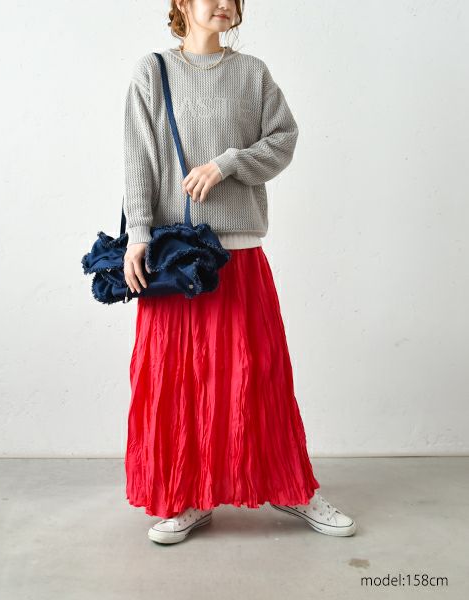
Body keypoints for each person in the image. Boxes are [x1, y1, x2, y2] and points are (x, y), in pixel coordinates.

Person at [123, 0, 357, 545]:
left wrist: (227, 164)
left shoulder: (252, 73)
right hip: (177, 262)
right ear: (182, 3)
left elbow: (283, 139)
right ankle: (187, 496)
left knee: (260, 378)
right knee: (179, 384)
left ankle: (288, 487)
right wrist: (137, 234)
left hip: (240, 253)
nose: (225, 4)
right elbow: (139, 159)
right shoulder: (152, 71)